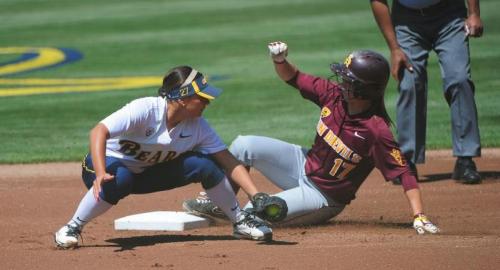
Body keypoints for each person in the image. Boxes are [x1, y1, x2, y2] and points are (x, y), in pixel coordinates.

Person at [183, 41, 440, 235]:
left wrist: (419, 215)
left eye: (348, 79)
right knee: (243, 145)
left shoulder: (376, 130)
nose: (342, 81)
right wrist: (280, 61)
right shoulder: (333, 95)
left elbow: (403, 172)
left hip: (323, 196)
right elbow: (293, 77)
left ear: (364, 89)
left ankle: (240, 216)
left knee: (253, 213)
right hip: (302, 163)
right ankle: (218, 203)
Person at [54, 66, 273, 248]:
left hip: (146, 174)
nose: (208, 102)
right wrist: (101, 172)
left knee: (205, 165)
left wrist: (255, 195)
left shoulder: (198, 127)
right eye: (202, 98)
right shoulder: (146, 109)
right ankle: (72, 226)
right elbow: (98, 132)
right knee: (121, 178)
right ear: (182, 98)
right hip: (103, 168)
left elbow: (228, 160)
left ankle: (240, 221)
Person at [370, 0, 483, 184]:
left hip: (450, 15)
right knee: (410, 83)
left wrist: (473, 13)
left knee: (459, 79)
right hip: (407, 21)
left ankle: (465, 159)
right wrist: (395, 49)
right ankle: (407, 160)